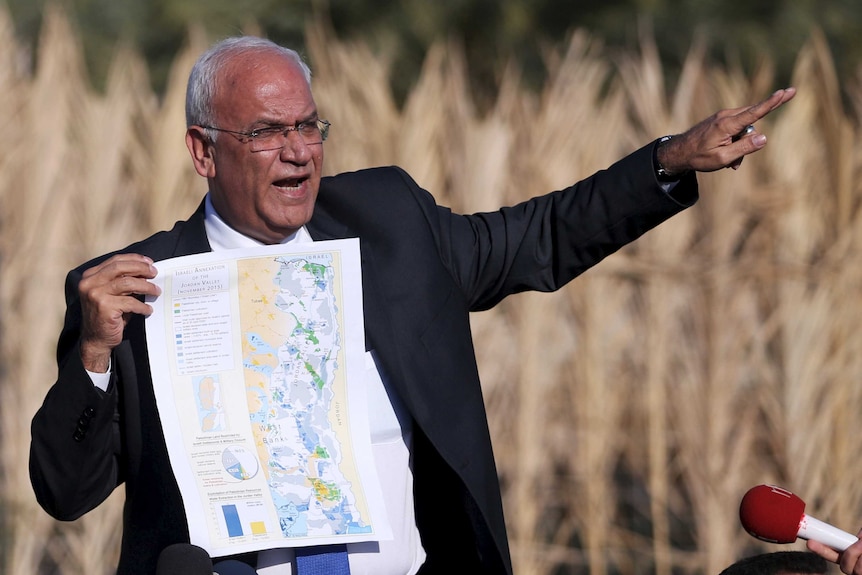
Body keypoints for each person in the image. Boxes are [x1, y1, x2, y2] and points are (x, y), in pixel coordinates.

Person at [28, 35, 795, 575]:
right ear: (203, 150)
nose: (300, 150)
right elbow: (66, 489)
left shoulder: (390, 224)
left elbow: (538, 237)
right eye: (268, 132)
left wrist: (666, 162)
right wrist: (94, 355)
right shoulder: (138, 285)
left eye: (308, 125)